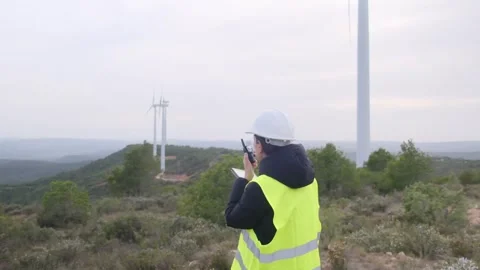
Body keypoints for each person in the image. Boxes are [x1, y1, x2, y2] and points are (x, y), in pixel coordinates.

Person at [225, 109, 322, 270]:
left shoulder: (260, 188)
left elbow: (232, 218)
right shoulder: (311, 182)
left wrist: (245, 179)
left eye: (254, 141)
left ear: (260, 146)